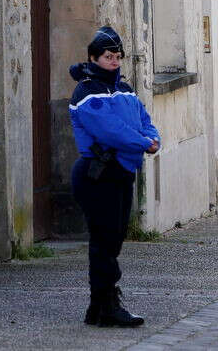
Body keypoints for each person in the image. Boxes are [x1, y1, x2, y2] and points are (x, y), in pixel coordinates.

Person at [68, 26, 160, 328]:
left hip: (122, 171)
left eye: (118, 56)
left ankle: (97, 307)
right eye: (109, 56)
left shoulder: (126, 89)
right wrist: (144, 143)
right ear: (93, 57)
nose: (115, 62)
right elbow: (110, 130)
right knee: (105, 240)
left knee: (114, 239)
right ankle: (107, 305)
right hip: (99, 173)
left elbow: (143, 120)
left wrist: (153, 137)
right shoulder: (86, 91)